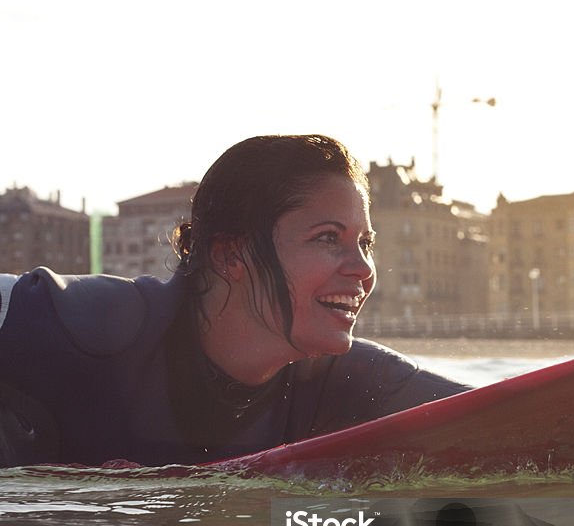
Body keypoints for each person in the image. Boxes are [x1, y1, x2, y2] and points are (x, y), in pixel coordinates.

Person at [0, 135, 469, 466]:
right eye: (329, 238)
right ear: (230, 254)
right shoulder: (79, 325)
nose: (364, 269)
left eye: (365, 243)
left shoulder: (351, 383)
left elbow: (520, 422)